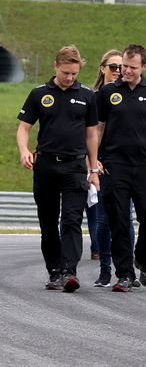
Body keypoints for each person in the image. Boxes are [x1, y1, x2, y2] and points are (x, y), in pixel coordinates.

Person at [95, 43, 146, 292]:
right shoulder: (108, 91)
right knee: (119, 221)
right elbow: (96, 129)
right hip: (114, 166)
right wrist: (93, 159)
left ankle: (142, 260)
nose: (126, 72)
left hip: (144, 167)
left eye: (132, 67)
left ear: (144, 66)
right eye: (123, 67)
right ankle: (124, 274)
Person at [16, 45, 99, 292]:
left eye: (74, 73)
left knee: (73, 220)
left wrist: (93, 169)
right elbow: (24, 128)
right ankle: (54, 271)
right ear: (55, 66)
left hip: (75, 166)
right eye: (65, 72)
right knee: (49, 222)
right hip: (46, 165)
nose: (69, 77)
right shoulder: (39, 93)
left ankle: (69, 272)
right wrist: (23, 150)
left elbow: (92, 134)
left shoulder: (87, 95)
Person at [89, 50, 130, 288]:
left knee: (126, 218)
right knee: (102, 219)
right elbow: (88, 133)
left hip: (126, 166)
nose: (117, 70)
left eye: (120, 66)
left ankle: (127, 270)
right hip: (99, 165)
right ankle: (105, 269)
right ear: (102, 68)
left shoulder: (133, 93)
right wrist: (92, 161)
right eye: (113, 66)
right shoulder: (92, 96)